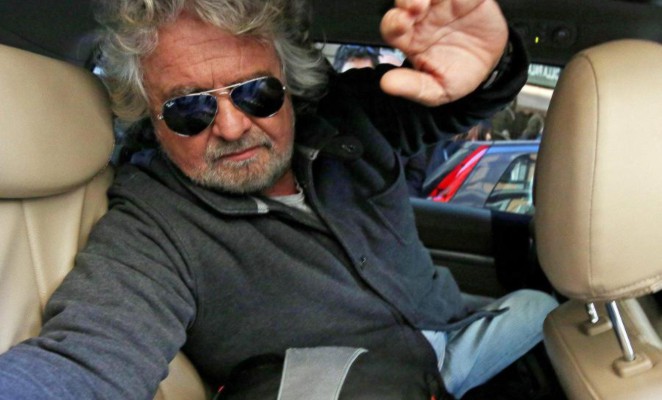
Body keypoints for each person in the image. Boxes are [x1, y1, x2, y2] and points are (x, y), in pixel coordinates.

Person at [0, 0, 558, 399]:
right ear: (149, 115)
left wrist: (492, 66)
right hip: (367, 387)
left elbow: (460, 100)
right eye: (189, 108)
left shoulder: (348, 116)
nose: (231, 126)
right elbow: (88, 359)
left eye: (256, 93)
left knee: (553, 313)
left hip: (462, 334)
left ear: (290, 84)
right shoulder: (151, 220)